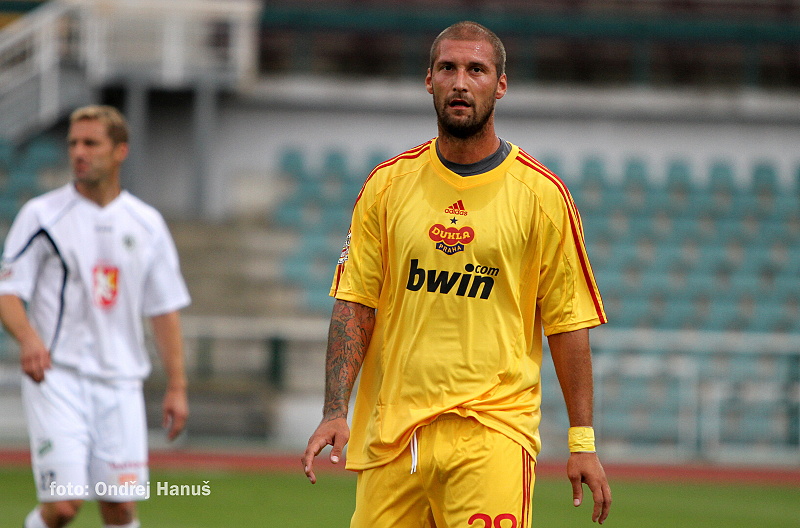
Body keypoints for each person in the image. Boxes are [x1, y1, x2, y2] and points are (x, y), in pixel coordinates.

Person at [301, 21, 612, 527]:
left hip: (492, 433)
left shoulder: (542, 195)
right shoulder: (387, 186)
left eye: (476, 70)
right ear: (429, 80)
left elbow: (568, 323)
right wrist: (335, 409)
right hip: (393, 438)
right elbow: (355, 304)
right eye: (448, 68)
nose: (461, 82)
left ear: (501, 85)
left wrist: (582, 442)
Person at [0, 105, 191, 528]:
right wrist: (28, 338)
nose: (79, 152)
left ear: (120, 151)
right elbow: (7, 290)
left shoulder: (147, 223)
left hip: (121, 382)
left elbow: (164, 309)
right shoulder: (42, 215)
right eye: (73, 143)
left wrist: (177, 386)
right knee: (64, 504)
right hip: (57, 378)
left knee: (119, 507)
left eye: (91, 143)